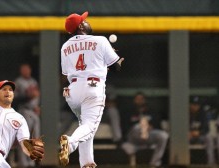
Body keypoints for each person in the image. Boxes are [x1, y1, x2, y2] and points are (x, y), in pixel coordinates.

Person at [59, 11, 124, 168]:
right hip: (92, 88)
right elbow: (116, 68)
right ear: (81, 26)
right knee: (89, 126)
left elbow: (67, 74)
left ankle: (87, 163)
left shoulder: (65, 46)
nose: (87, 22)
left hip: (72, 91)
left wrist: (100, 63)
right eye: (84, 20)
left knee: (85, 125)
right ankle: (71, 142)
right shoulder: (100, 40)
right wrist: (118, 59)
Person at [121, 92, 169, 167]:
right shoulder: (129, 112)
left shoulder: (151, 111)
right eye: (137, 99)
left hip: (148, 136)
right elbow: (125, 128)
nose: (139, 101)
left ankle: (154, 163)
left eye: (141, 99)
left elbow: (157, 125)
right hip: (133, 138)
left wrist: (151, 126)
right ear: (134, 100)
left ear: (145, 100)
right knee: (138, 127)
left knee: (164, 135)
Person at [13, 63, 41, 167]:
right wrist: (28, 97)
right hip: (24, 111)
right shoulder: (18, 82)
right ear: (21, 71)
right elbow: (15, 99)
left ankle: (31, 161)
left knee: (35, 138)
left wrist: (38, 106)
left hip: (34, 111)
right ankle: (23, 162)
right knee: (24, 137)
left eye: (27, 69)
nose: (26, 71)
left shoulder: (33, 81)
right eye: (23, 69)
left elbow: (37, 97)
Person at [189, 96, 219, 165]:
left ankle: (211, 163)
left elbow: (206, 129)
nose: (195, 107)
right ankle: (182, 160)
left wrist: (199, 132)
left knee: (208, 137)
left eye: (197, 105)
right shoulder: (185, 114)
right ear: (189, 105)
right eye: (193, 105)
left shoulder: (202, 113)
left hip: (199, 136)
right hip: (188, 137)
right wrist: (188, 133)